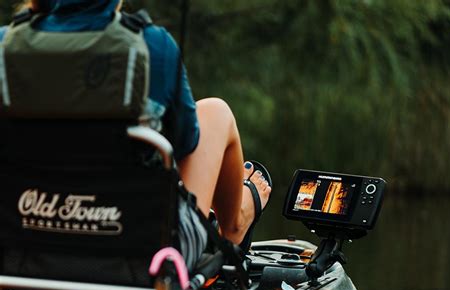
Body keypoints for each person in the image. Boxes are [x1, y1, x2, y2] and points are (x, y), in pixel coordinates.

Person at [0, 0, 271, 270]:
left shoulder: (4, 44)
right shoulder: (152, 45)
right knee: (215, 112)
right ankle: (233, 225)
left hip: (21, 247)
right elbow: (187, 143)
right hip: (143, 256)